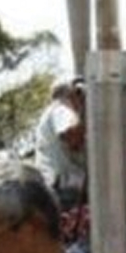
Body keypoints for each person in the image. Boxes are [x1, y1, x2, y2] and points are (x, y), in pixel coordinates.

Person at [33, 76, 86, 209]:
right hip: (64, 189)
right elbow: (71, 136)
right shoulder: (61, 108)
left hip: (55, 188)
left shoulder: (51, 113)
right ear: (71, 94)